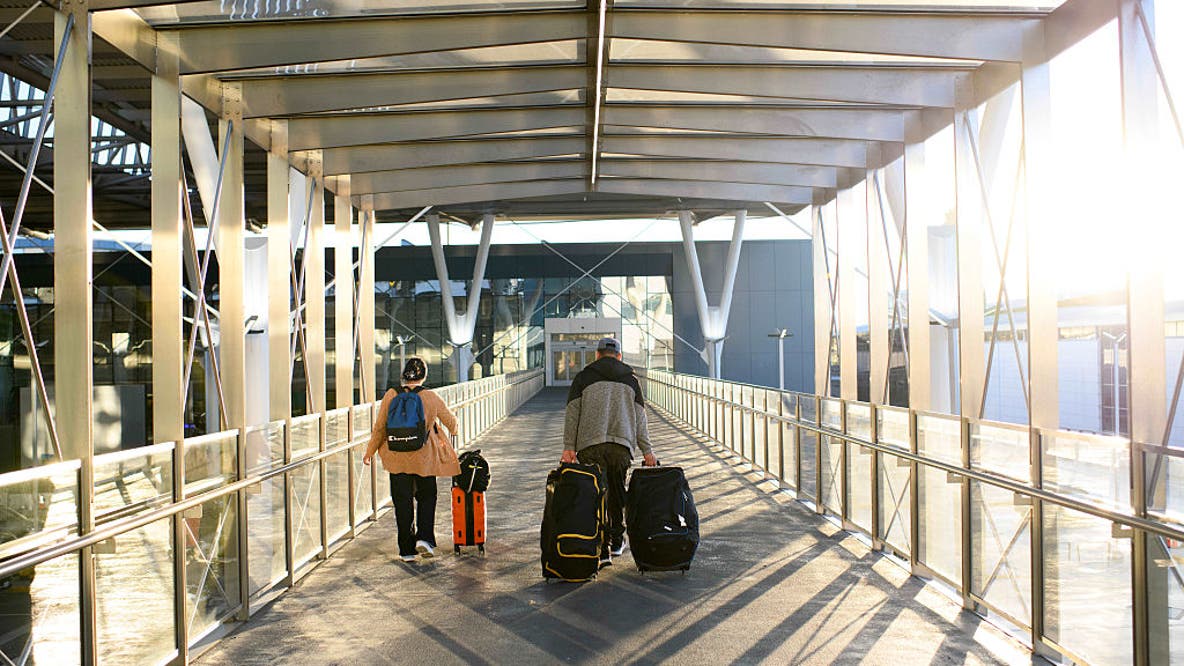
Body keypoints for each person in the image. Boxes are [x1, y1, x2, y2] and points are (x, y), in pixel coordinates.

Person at [561, 337, 656, 567]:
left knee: (594, 493)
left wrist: (568, 447)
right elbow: (640, 419)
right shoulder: (632, 381)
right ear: (619, 356)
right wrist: (647, 451)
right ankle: (616, 540)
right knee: (616, 492)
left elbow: (573, 413)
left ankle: (599, 548)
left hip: (589, 445)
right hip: (620, 445)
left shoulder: (583, 377)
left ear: (597, 355)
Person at [365, 358, 460, 562]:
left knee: (402, 502)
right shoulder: (431, 397)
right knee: (427, 497)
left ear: (404, 376)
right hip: (424, 459)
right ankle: (424, 539)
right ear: (424, 376)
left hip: (396, 458)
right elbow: (451, 423)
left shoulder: (391, 395)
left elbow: (380, 427)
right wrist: (455, 425)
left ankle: (406, 550)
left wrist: (369, 451)